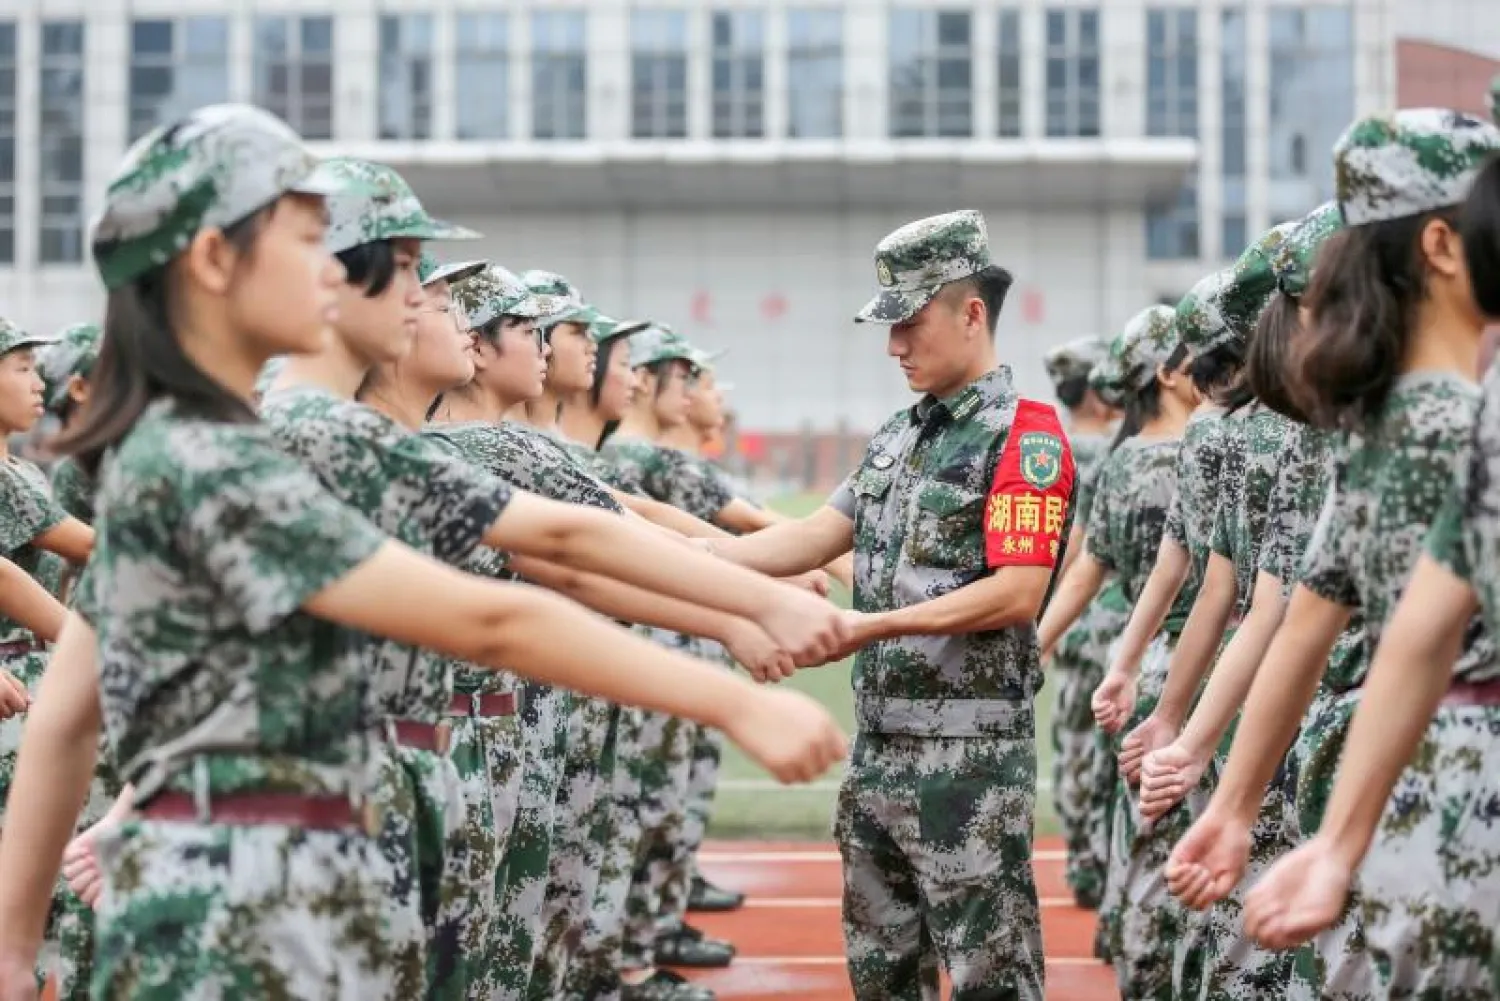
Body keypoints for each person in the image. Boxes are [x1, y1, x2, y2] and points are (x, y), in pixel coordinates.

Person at [0, 105, 850, 1001]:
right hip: (252, 916)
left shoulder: (178, 449)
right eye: (307, 242)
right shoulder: (225, 462)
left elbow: (68, 716)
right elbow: (494, 617)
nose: (335, 271)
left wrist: (15, 946)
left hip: (254, 894)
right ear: (214, 260)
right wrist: (730, 696)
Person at [1162, 108, 1500, 998]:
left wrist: (1237, 807)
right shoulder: (1460, 426)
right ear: (1441, 244)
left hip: (1391, 793)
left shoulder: (1378, 430)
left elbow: (1306, 624)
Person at [707, 209, 1076, 1000]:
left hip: (969, 763)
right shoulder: (898, 437)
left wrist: (871, 625)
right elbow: (812, 535)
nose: (894, 346)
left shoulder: (1025, 436)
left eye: (909, 323)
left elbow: (1017, 591)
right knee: (882, 975)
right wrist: (683, 564)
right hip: (877, 750)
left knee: (991, 980)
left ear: (970, 313)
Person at [1143, 201, 1372, 999]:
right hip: (1326, 731)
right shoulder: (1316, 432)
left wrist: (1188, 738)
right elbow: (1278, 609)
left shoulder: (1277, 432)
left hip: (1320, 730)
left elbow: (1239, 597)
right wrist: (1201, 757)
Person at [1035, 305, 1200, 996]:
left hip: (1141, 658)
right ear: (1166, 374)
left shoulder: (1122, 460)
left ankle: (1129, 949)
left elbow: (1085, 565)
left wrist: (1036, 642)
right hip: (1202, 663)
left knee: (1134, 827)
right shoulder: (1208, 448)